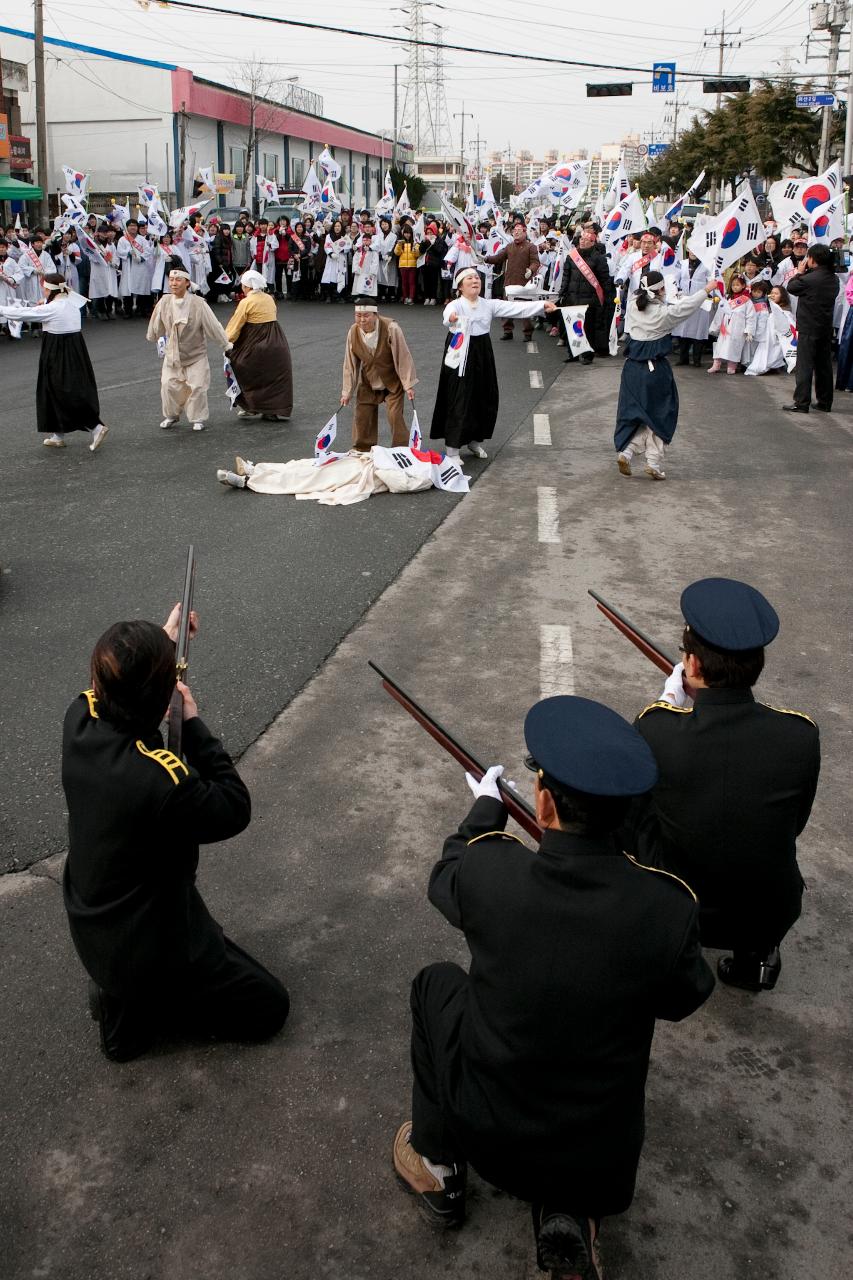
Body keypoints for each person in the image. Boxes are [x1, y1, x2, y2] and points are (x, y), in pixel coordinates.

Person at [393, 695, 713, 1279]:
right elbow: (684, 997)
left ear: (540, 801)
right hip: (600, 1160)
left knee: (434, 986)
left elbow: (446, 876)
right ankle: (570, 1212)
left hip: (488, 1131)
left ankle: (440, 1170)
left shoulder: (493, 871)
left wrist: (484, 811)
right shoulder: (665, 908)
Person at [62, 603, 290, 1062]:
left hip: (97, 920)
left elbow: (115, 686)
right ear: (161, 700)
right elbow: (234, 805)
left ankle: (121, 1000)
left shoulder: (79, 720)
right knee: (270, 1008)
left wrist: (165, 643)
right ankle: (147, 1003)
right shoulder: (160, 783)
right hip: (149, 941)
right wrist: (191, 720)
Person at [623, 578, 820, 992]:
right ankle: (755, 959)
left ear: (691, 665)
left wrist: (671, 705)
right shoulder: (800, 735)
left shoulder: (655, 729)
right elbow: (794, 823)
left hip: (680, 905)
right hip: (768, 910)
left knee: (629, 817)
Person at [430, 267, 557, 461]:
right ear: (460, 287)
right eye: (470, 279)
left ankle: (475, 441)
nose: (475, 281)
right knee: (459, 397)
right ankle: (452, 449)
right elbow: (448, 315)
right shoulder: (456, 304)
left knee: (484, 395)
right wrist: (451, 318)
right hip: (460, 352)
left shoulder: (488, 304)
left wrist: (542, 306)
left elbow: (516, 308)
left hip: (482, 351)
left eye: (477, 278)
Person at [615, 271, 717, 481]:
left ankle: (627, 451)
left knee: (636, 414)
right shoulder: (664, 315)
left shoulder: (634, 305)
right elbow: (685, 308)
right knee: (660, 415)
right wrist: (707, 289)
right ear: (661, 289)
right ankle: (652, 461)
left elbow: (660, 301)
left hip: (631, 370)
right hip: (654, 370)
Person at [0, 272, 109, 451]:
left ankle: (96, 427)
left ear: (50, 289)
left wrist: (2, 309)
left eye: (44, 288)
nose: (42, 291)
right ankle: (58, 434)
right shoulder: (71, 302)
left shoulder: (52, 308)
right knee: (54, 389)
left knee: (63, 390)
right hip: (75, 349)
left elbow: (23, 314)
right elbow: (55, 304)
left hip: (58, 351)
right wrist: (46, 302)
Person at [146, 267, 232, 433]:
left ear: (187, 283)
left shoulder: (198, 303)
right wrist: (153, 335)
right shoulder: (164, 302)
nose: (174, 283)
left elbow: (213, 325)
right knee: (168, 385)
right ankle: (171, 415)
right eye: (171, 280)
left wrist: (225, 344)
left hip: (195, 354)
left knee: (198, 386)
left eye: (178, 280)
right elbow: (156, 323)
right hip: (173, 354)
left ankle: (197, 418)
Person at [340, 304, 417, 451]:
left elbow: (403, 356)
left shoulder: (391, 328)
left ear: (375, 315)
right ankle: (363, 449)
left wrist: (408, 385)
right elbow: (350, 363)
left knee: (395, 416)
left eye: (366, 315)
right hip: (368, 380)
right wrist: (347, 391)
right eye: (358, 315)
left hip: (392, 381)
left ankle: (401, 450)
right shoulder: (353, 331)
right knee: (362, 415)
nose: (362, 319)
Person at [225, 269, 293, 421]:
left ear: (247, 287)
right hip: (276, 340)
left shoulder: (246, 302)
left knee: (242, 366)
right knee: (273, 376)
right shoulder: (269, 298)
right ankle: (272, 409)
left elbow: (236, 325)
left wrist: (227, 342)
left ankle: (251, 406)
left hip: (255, 341)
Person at [783, 242, 840, 414]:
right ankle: (824, 401)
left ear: (813, 259)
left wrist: (799, 273)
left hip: (808, 327)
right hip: (824, 326)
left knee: (805, 366)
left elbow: (791, 287)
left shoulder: (809, 279)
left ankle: (801, 402)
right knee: (824, 366)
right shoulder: (833, 278)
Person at [557, 227, 612, 365]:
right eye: (582, 239)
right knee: (572, 327)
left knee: (587, 329)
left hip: (590, 300)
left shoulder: (599, 258)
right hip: (572, 298)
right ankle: (573, 354)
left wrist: (606, 298)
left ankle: (588, 355)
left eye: (587, 240)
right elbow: (566, 276)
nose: (583, 242)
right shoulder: (572, 256)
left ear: (593, 242)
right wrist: (562, 292)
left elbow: (604, 280)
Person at [485, 222, 542, 340]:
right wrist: (485, 258)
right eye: (514, 230)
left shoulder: (531, 246)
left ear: (525, 232)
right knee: (507, 308)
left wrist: (530, 271)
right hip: (509, 282)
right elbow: (498, 258)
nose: (516, 232)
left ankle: (527, 333)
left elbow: (536, 262)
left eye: (519, 230)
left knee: (526, 308)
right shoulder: (509, 246)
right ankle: (507, 331)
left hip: (525, 284)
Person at [708, 274, 754, 374]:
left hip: (738, 328)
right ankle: (716, 364)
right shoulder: (727, 298)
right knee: (720, 345)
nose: (735, 287)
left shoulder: (747, 300)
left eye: (737, 285)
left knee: (735, 346)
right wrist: (715, 326)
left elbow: (750, 317)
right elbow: (720, 313)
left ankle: (732, 366)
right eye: (733, 285)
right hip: (726, 327)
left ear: (743, 286)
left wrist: (749, 331)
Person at [673, 252, 712, 368]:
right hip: (684, 300)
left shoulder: (707, 265)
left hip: (700, 302)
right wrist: (677, 290)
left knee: (698, 331)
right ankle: (683, 358)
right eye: (691, 250)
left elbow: (711, 281)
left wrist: (710, 294)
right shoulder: (681, 263)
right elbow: (675, 278)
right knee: (683, 331)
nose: (693, 253)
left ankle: (697, 359)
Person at [117, 218, 153, 318]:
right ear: (127, 227)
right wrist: (127, 253)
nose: (133, 227)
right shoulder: (123, 239)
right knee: (128, 289)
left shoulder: (142, 239)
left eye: (135, 225)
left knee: (140, 288)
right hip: (128, 266)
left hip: (140, 267)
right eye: (131, 225)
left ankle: (141, 309)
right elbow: (119, 251)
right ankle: (128, 310)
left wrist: (141, 258)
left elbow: (147, 251)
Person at [394, 222, 422, 305]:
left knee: (412, 282)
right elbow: (397, 253)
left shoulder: (415, 243)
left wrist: (415, 250)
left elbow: (417, 255)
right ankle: (405, 297)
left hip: (412, 265)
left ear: (411, 234)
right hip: (402, 265)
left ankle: (411, 298)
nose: (407, 235)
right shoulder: (400, 243)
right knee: (404, 282)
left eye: (409, 233)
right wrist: (399, 245)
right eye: (405, 233)